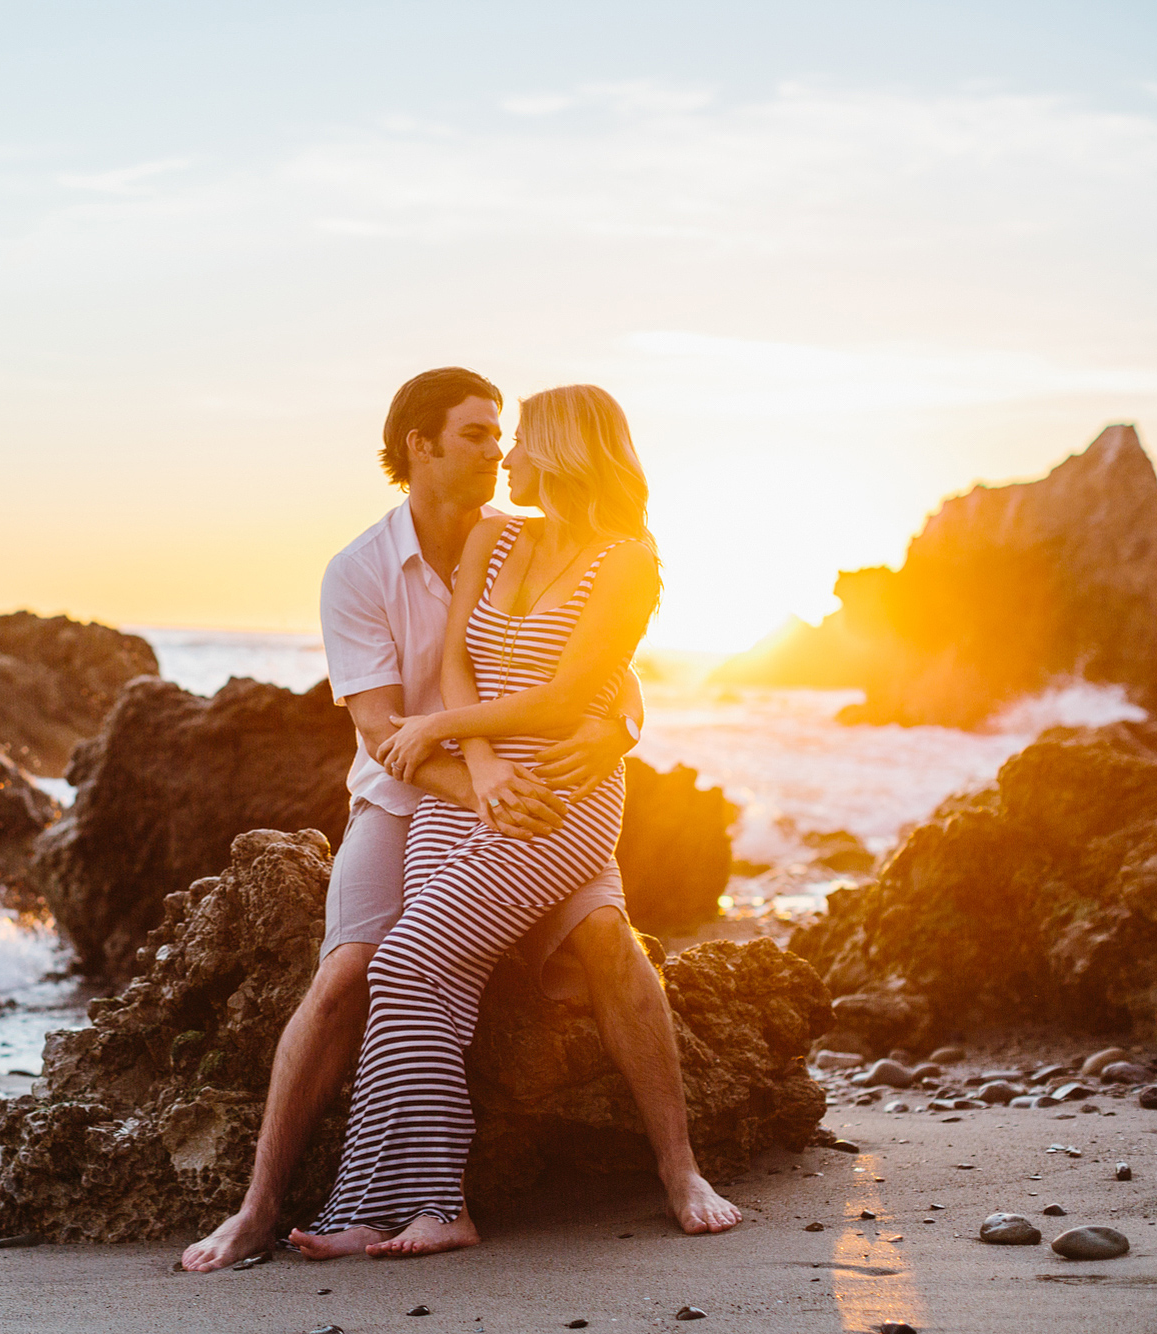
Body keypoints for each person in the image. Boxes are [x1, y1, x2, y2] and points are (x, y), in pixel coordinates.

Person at [179, 371, 738, 1272]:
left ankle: (676, 1172)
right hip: (413, 795)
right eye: (479, 435)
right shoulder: (372, 567)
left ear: (558, 453)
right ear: (421, 449)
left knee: (602, 938)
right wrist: (475, 767)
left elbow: (596, 681)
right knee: (367, 968)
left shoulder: (563, 542)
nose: (498, 451)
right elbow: (390, 723)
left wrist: (614, 733)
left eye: (506, 436)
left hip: (550, 793)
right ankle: (283, 1208)